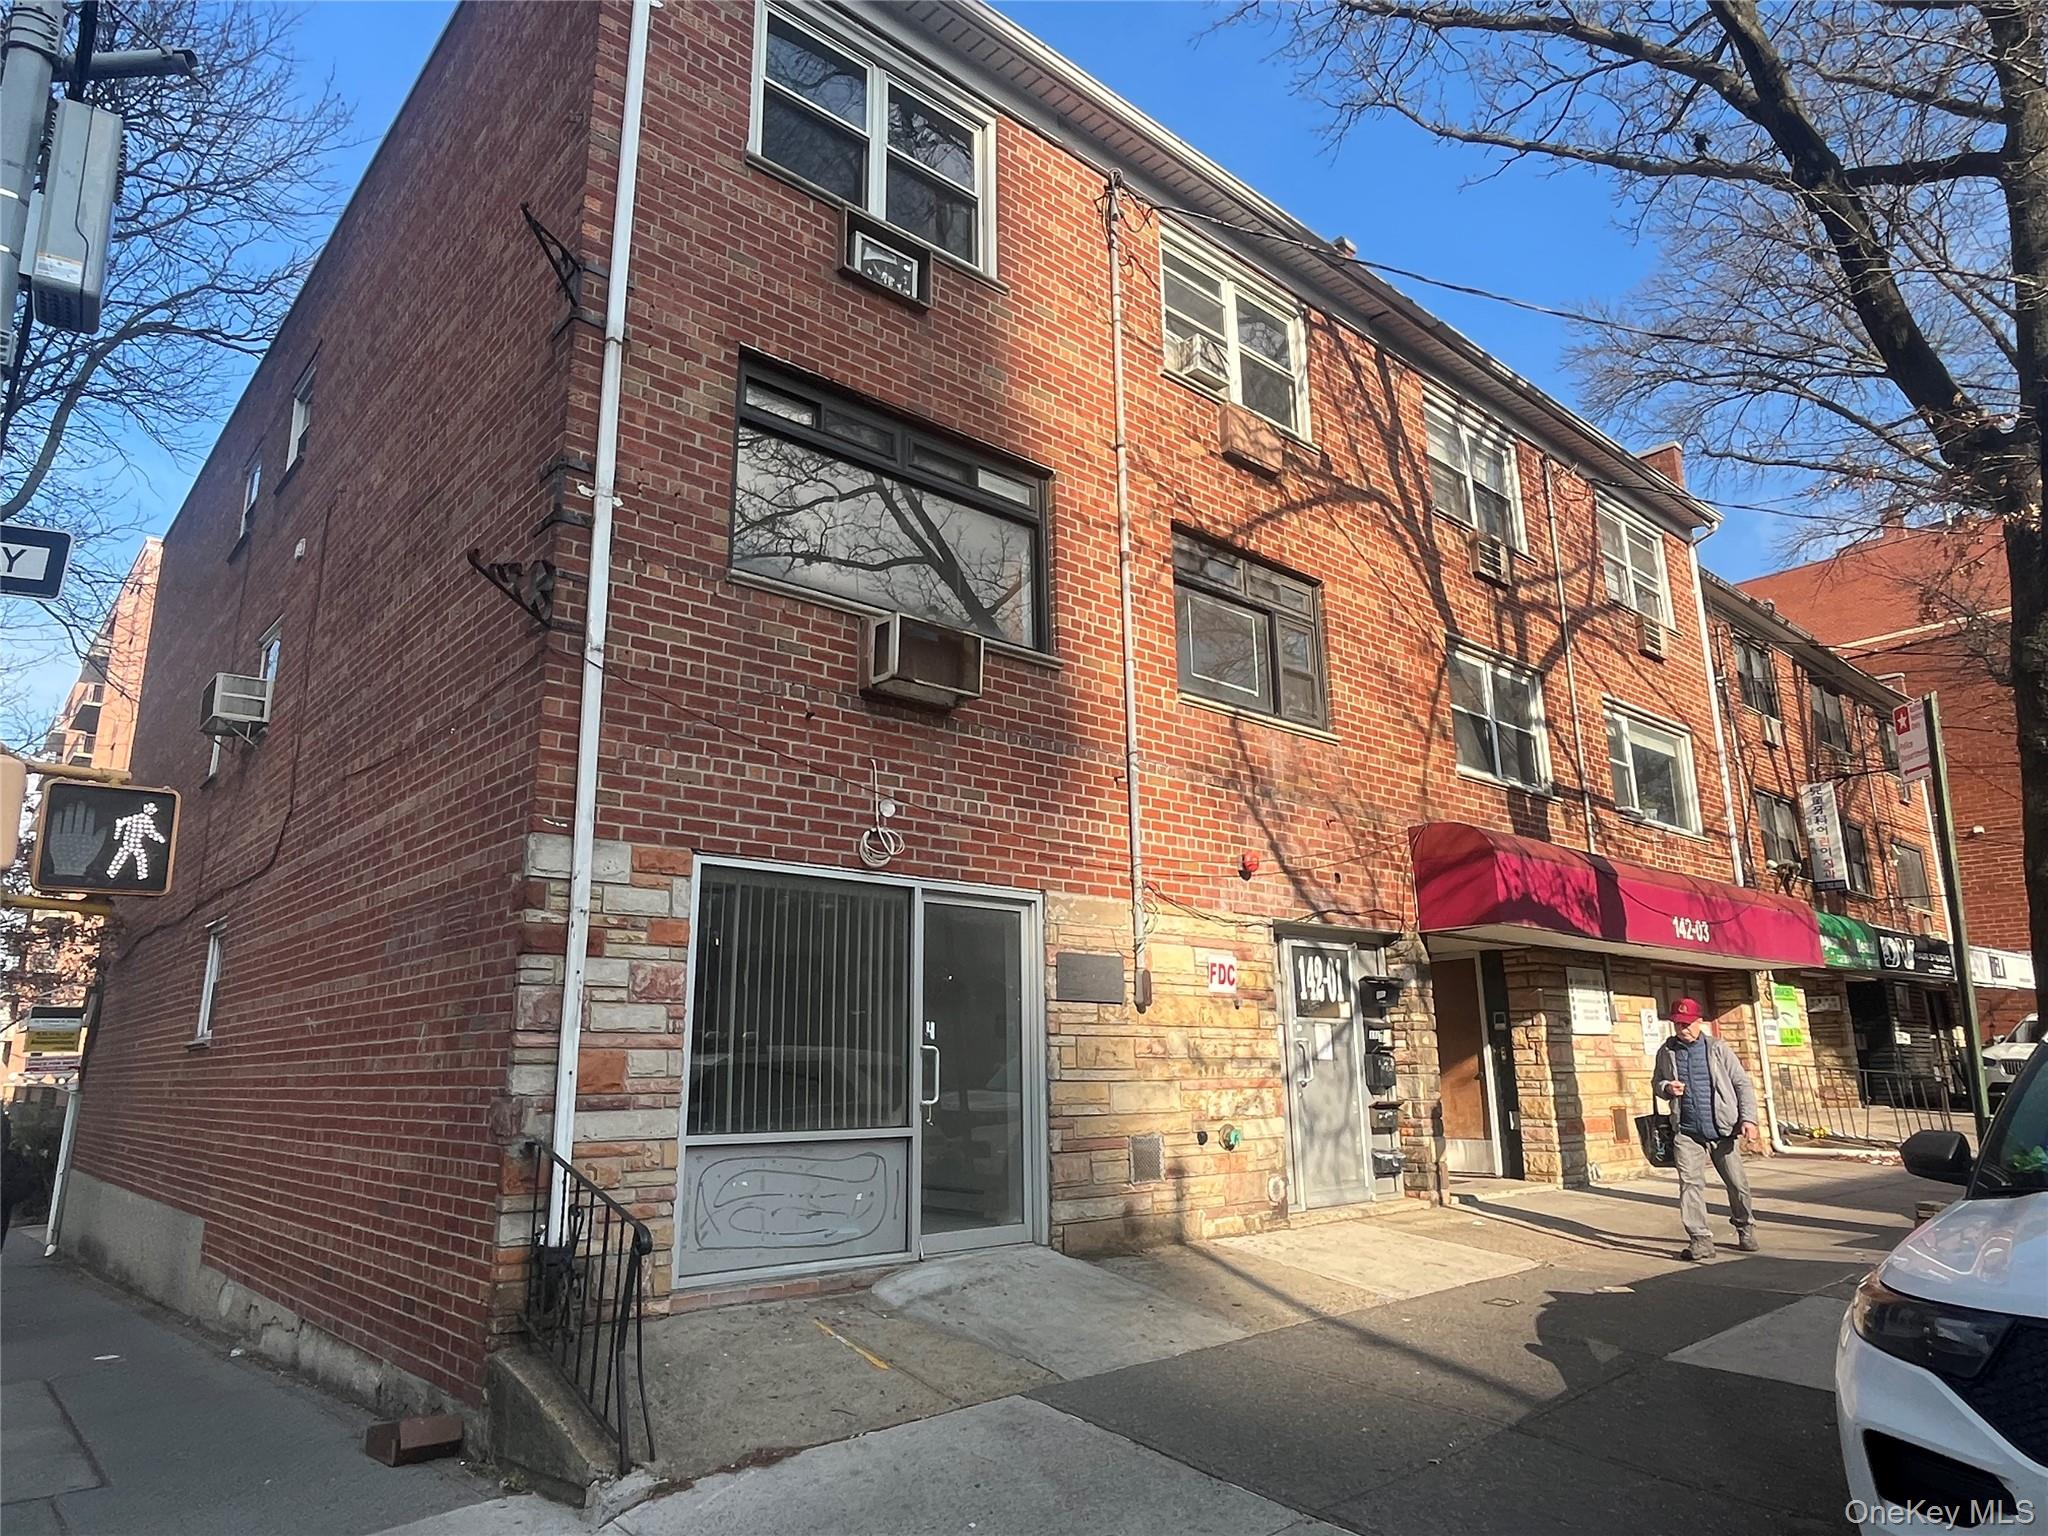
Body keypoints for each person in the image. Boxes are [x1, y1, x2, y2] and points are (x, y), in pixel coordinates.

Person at [1653, 998, 1761, 1260]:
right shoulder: (1666, 1051)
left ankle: (1744, 1226)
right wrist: (1667, 1087)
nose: (1682, 1028)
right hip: (1687, 1131)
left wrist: (1749, 1119)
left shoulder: (1717, 1049)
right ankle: (1700, 1238)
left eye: (1687, 1023)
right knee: (1690, 1185)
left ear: (1700, 1021)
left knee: (1737, 1184)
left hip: (1722, 1129)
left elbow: (1741, 1084)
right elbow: (1656, 1082)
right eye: (1678, 1024)